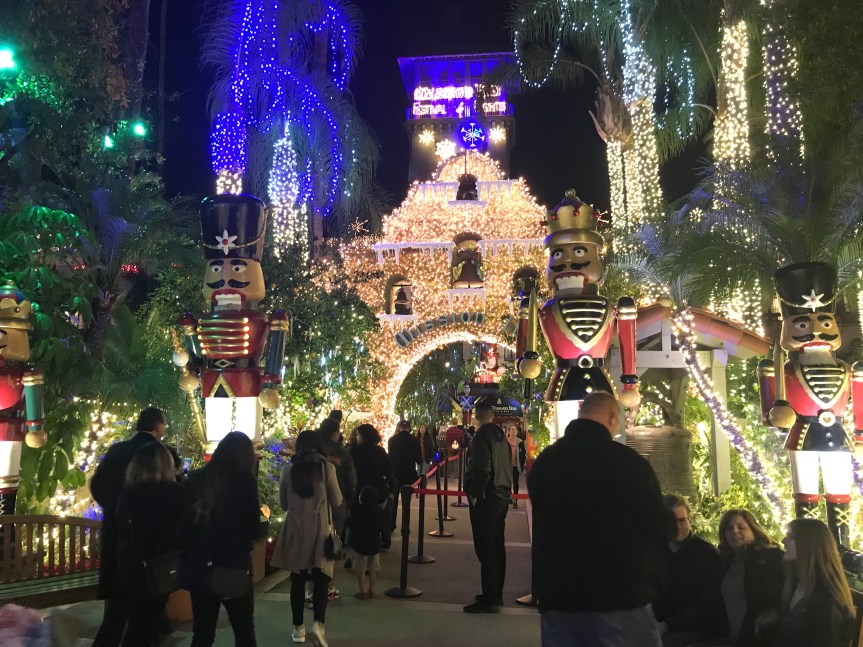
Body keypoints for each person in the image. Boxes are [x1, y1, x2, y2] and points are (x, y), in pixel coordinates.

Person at [527, 391, 671, 646]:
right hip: (620, 594)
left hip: (560, 595)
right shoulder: (629, 464)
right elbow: (657, 526)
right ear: (613, 418)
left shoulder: (547, 462)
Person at [90, 407, 180, 647]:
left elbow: (97, 485)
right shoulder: (161, 453)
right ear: (158, 426)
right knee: (145, 605)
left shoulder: (118, 450)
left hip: (119, 536)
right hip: (153, 548)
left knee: (118, 604)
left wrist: (115, 509)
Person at [183, 432, 263, 647]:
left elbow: (185, 524)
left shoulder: (196, 478)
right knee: (244, 631)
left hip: (200, 565)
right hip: (233, 564)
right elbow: (253, 529)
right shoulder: (245, 483)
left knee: (202, 633)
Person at [273, 430, 342, 647]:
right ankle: (318, 625)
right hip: (320, 530)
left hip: (295, 531)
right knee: (321, 580)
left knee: (297, 580)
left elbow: (283, 504)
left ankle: (298, 628)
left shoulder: (288, 470)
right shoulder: (326, 468)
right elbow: (337, 500)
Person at [116, 443, 186, 647]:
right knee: (147, 622)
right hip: (162, 564)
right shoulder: (172, 492)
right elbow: (187, 522)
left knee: (139, 621)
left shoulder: (128, 493)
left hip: (131, 563)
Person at [653, 494, 726, 646]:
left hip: (699, 632)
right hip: (661, 627)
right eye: (671, 522)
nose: (677, 526)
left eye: (681, 520)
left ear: (690, 520)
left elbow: (709, 603)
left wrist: (668, 625)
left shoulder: (706, 554)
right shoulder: (656, 553)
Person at [463, 399, 512, 613]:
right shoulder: (501, 437)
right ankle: (495, 593)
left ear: (477, 415)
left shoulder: (481, 437)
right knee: (497, 546)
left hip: (486, 497)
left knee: (486, 548)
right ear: (492, 415)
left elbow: (482, 468)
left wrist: (474, 493)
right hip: (501, 495)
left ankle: (489, 598)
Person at [776, 518, 855, 647]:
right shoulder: (797, 582)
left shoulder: (826, 598)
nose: (783, 541)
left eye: (791, 537)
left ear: (810, 544)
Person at [717, 508, 784, 647]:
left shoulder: (770, 558)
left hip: (762, 638)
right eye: (729, 528)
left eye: (741, 527)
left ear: (753, 530)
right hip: (734, 637)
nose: (734, 532)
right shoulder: (725, 563)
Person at [318, 417, 356, 602]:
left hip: (315, 504)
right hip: (337, 503)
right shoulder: (343, 454)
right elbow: (351, 481)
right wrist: (349, 503)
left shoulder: (314, 451)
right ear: (335, 433)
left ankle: (313, 587)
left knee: (316, 544)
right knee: (334, 543)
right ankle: (329, 586)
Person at [349, 424, 394, 549]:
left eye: (358, 435)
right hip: (378, 490)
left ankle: (357, 544)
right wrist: (390, 490)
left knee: (358, 519)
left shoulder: (353, 451)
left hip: (359, 489)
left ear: (363, 436)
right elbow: (389, 471)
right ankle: (383, 540)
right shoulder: (380, 451)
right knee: (379, 517)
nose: (356, 437)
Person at [346, 485, 388, 600]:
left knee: (360, 568)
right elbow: (384, 528)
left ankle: (362, 590)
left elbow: (351, 525)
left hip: (360, 545)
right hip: (375, 544)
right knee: (373, 568)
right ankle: (372, 590)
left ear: (361, 498)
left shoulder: (356, 511)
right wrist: (385, 539)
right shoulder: (379, 512)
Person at [387, 420, 421, 532]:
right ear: (409, 428)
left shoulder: (392, 440)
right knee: (406, 503)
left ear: (399, 427)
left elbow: (390, 457)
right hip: (409, 473)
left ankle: (391, 524)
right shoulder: (414, 440)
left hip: (395, 474)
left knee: (394, 501)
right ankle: (405, 528)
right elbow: (418, 458)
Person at [505, 425, 521, 508]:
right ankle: (509, 498)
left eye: (515, 429)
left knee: (515, 483)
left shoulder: (519, 441)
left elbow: (523, 453)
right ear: (509, 431)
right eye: (512, 429)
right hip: (507, 465)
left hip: (515, 465)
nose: (514, 431)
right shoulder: (505, 441)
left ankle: (515, 501)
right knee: (507, 483)